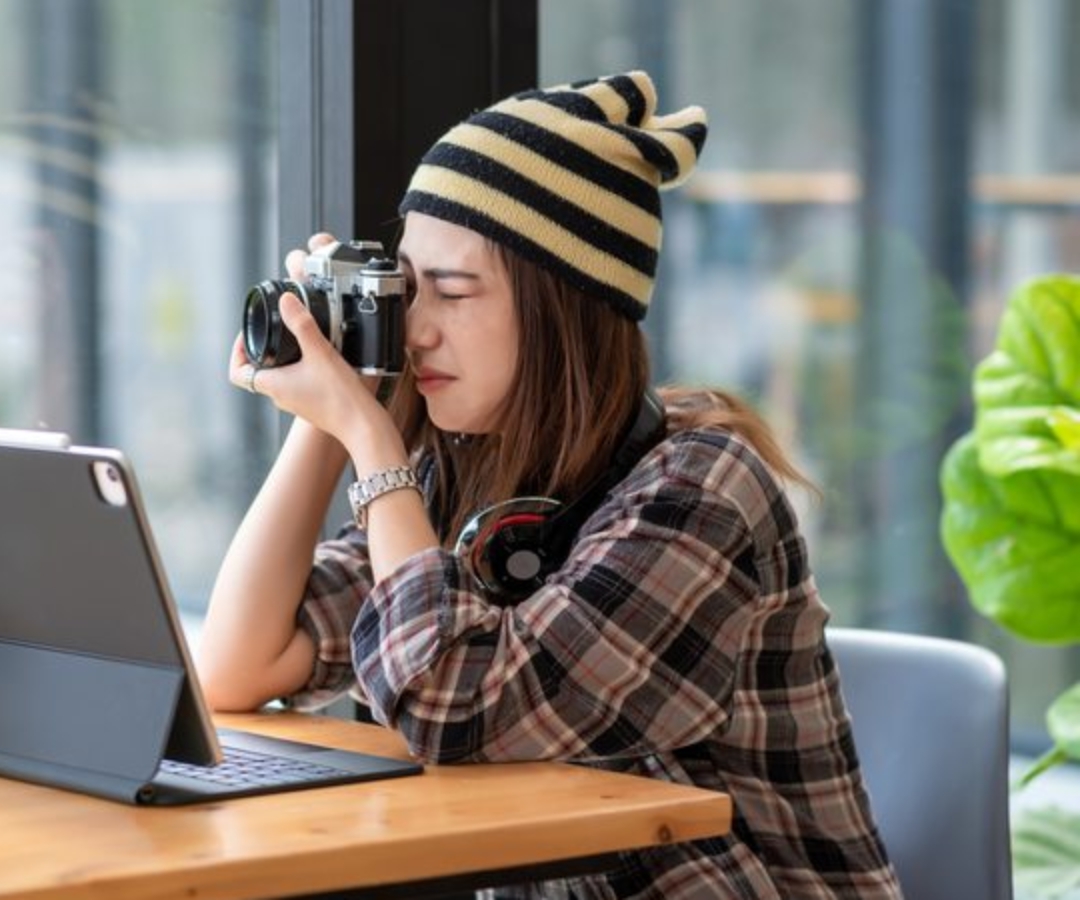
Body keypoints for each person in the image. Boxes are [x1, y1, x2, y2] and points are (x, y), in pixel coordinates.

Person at [197, 71, 902, 899]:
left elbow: (450, 707)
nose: (419, 328)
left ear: (564, 309)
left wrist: (367, 435)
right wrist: (331, 405)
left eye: (455, 293)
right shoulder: (467, 474)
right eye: (410, 292)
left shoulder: (702, 489)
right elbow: (238, 667)